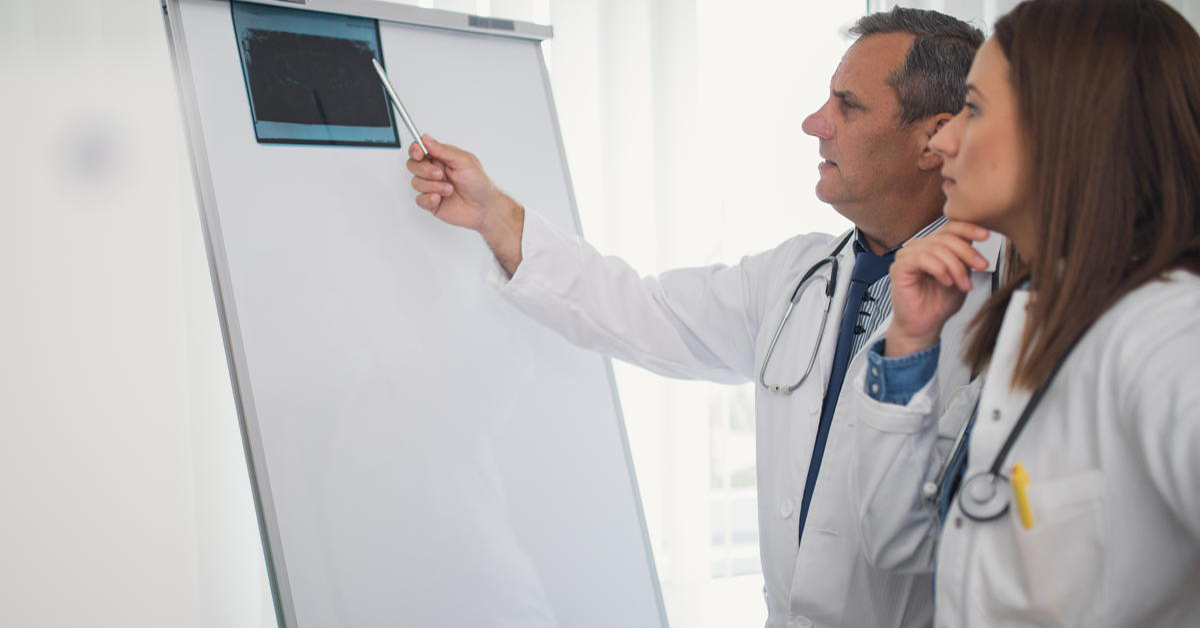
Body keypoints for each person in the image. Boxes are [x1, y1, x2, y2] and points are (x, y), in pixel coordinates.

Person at [409, 8, 987, 627]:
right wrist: (494, 215)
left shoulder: (1007, 305)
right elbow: (641, 311)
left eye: (847, 106)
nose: (814, 123)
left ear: (934, 138)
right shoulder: (795, 275)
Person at [851, 0, 1200, 625]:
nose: (943, 138)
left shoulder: (1168, 330)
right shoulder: (1033, 316)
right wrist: (909, 342)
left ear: (1073, 128)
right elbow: (900, 542)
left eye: (975, 109)